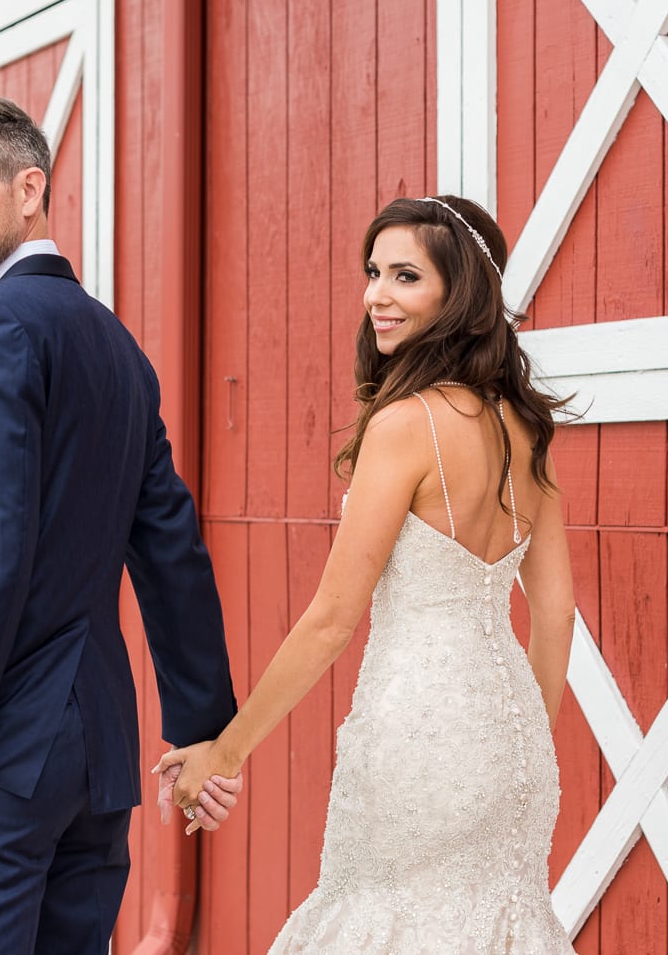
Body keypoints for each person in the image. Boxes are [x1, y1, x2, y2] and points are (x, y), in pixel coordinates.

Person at [0, 95, 241, 954]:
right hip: (92, 755)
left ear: (28, 189)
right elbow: (170, 548)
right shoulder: (115, 345)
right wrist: (201, 728)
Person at [156, 194, 579, 952]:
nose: (376, 295)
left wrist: (228, 750)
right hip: (512, 741)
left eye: (405, 276)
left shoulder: (406, 424)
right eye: (374, 272)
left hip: (415, 735)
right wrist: (528, 740)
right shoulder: (527, 427)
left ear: (461, 293)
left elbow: (330, 621)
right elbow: (554, 615)